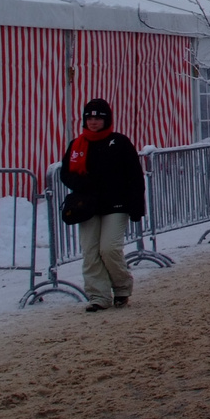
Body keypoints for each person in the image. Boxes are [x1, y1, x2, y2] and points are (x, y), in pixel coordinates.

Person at [59, 98, 145, 312]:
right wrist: (81, 183)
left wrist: (137, 206)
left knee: (109, 248)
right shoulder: (77, 145)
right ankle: (99, 295)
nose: (93, 121)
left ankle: (122, 287)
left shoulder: (120, 142)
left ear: (107, 120)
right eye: (89, 117)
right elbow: (66, 173)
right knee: (90, 251)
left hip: (116, 204)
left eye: (98, 117)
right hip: (88, 206)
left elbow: (134, 176)